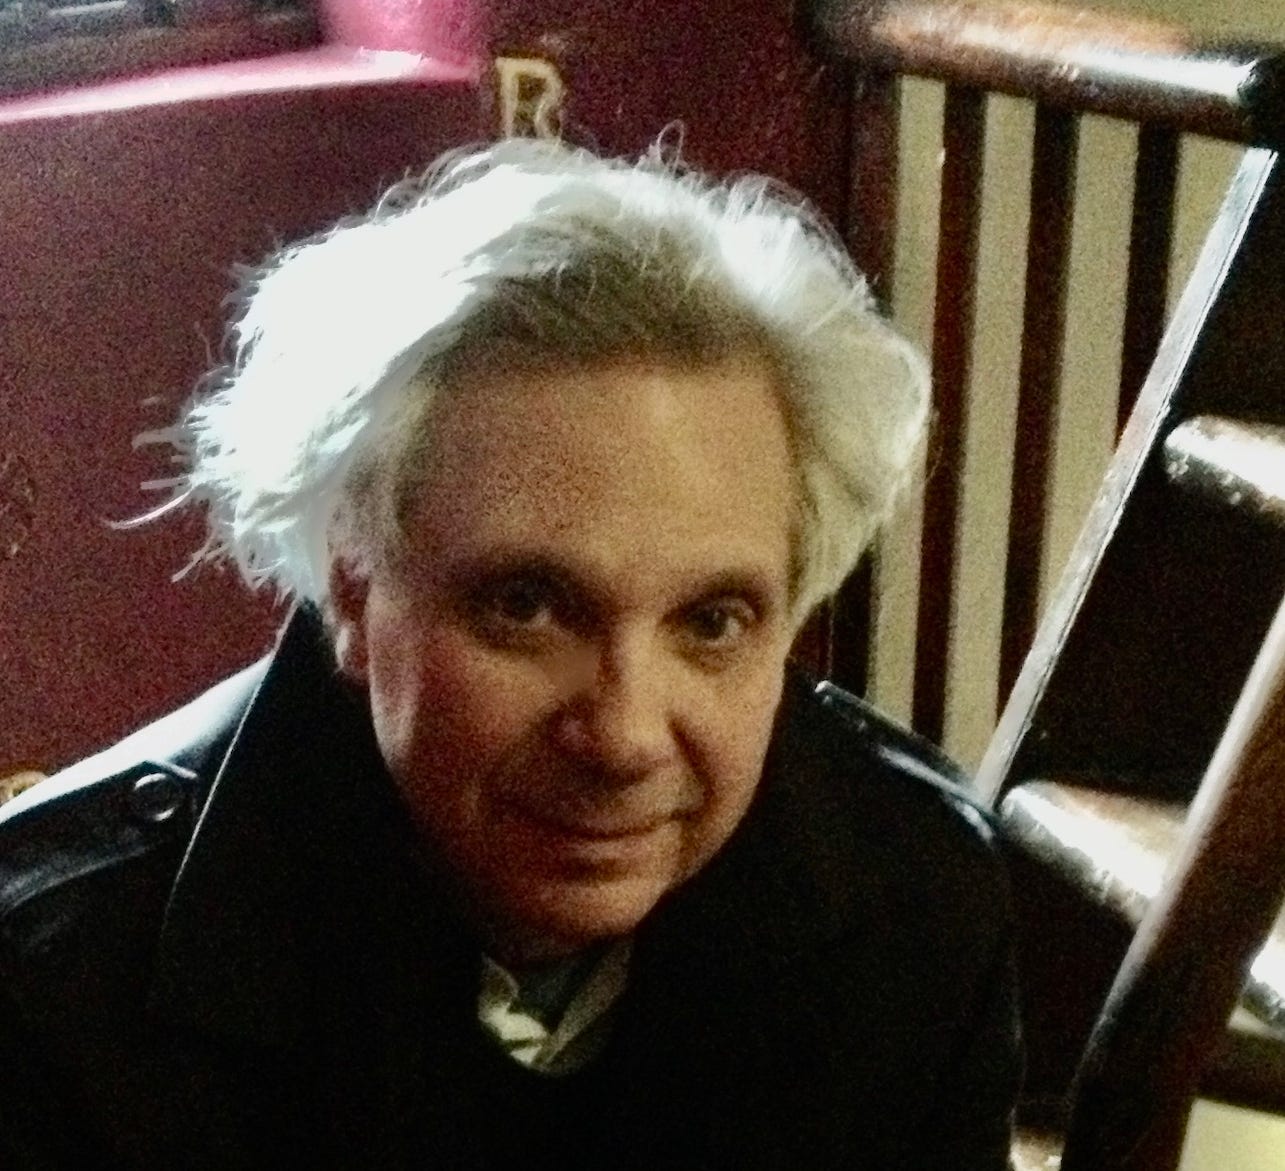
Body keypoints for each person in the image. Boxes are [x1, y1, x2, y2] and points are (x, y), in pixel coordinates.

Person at [0, 139, 1020, 1168]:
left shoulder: (918, 908)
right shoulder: (52, 983)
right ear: (352, 589)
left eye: (710, 622)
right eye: (526, 607)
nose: (623, 738)